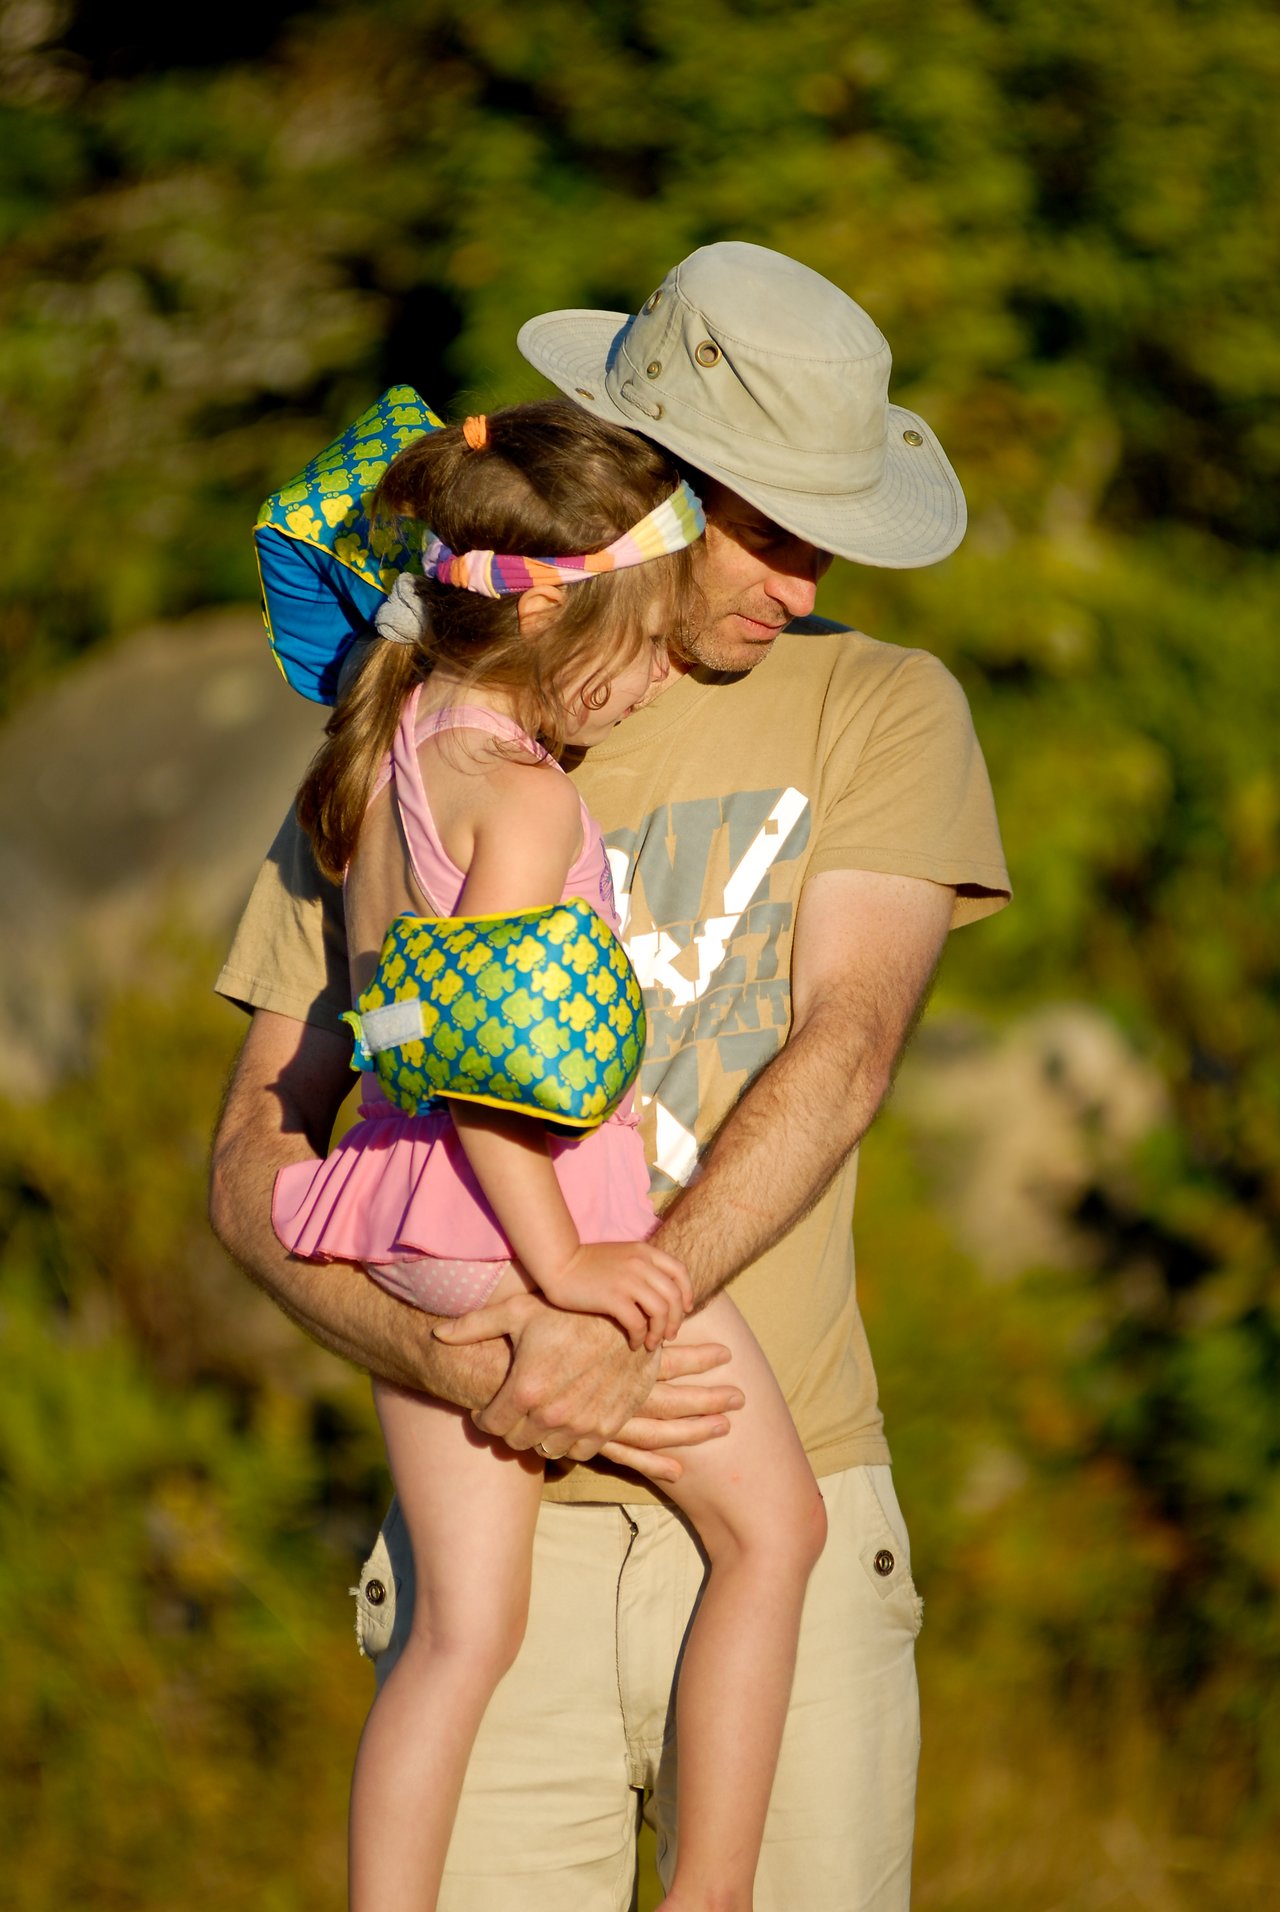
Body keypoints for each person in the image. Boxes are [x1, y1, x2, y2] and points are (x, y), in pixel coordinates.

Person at [210, 241, 1012, 1911]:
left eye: (831, 542)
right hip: (501, 1453)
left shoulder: (883, 705)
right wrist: (475, 1347)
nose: (802, 585)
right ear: (659, 483)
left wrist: (591, 1329)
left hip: (759, 1422)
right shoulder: (441, 722)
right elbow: (252, 1158)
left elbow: (844, 1049)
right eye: (777, 529)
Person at [272, 399, 827, 1912]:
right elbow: (496, 1076)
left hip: (386, 1201)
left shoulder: (388, 737)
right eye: (644, 648)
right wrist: (569, 1259)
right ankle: (708, 1897)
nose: (655, 681)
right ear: (558, 622)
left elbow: (400, 1030)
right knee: (780, 1530)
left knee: (461, 1630)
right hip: (515, 1207)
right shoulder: (525, 794)